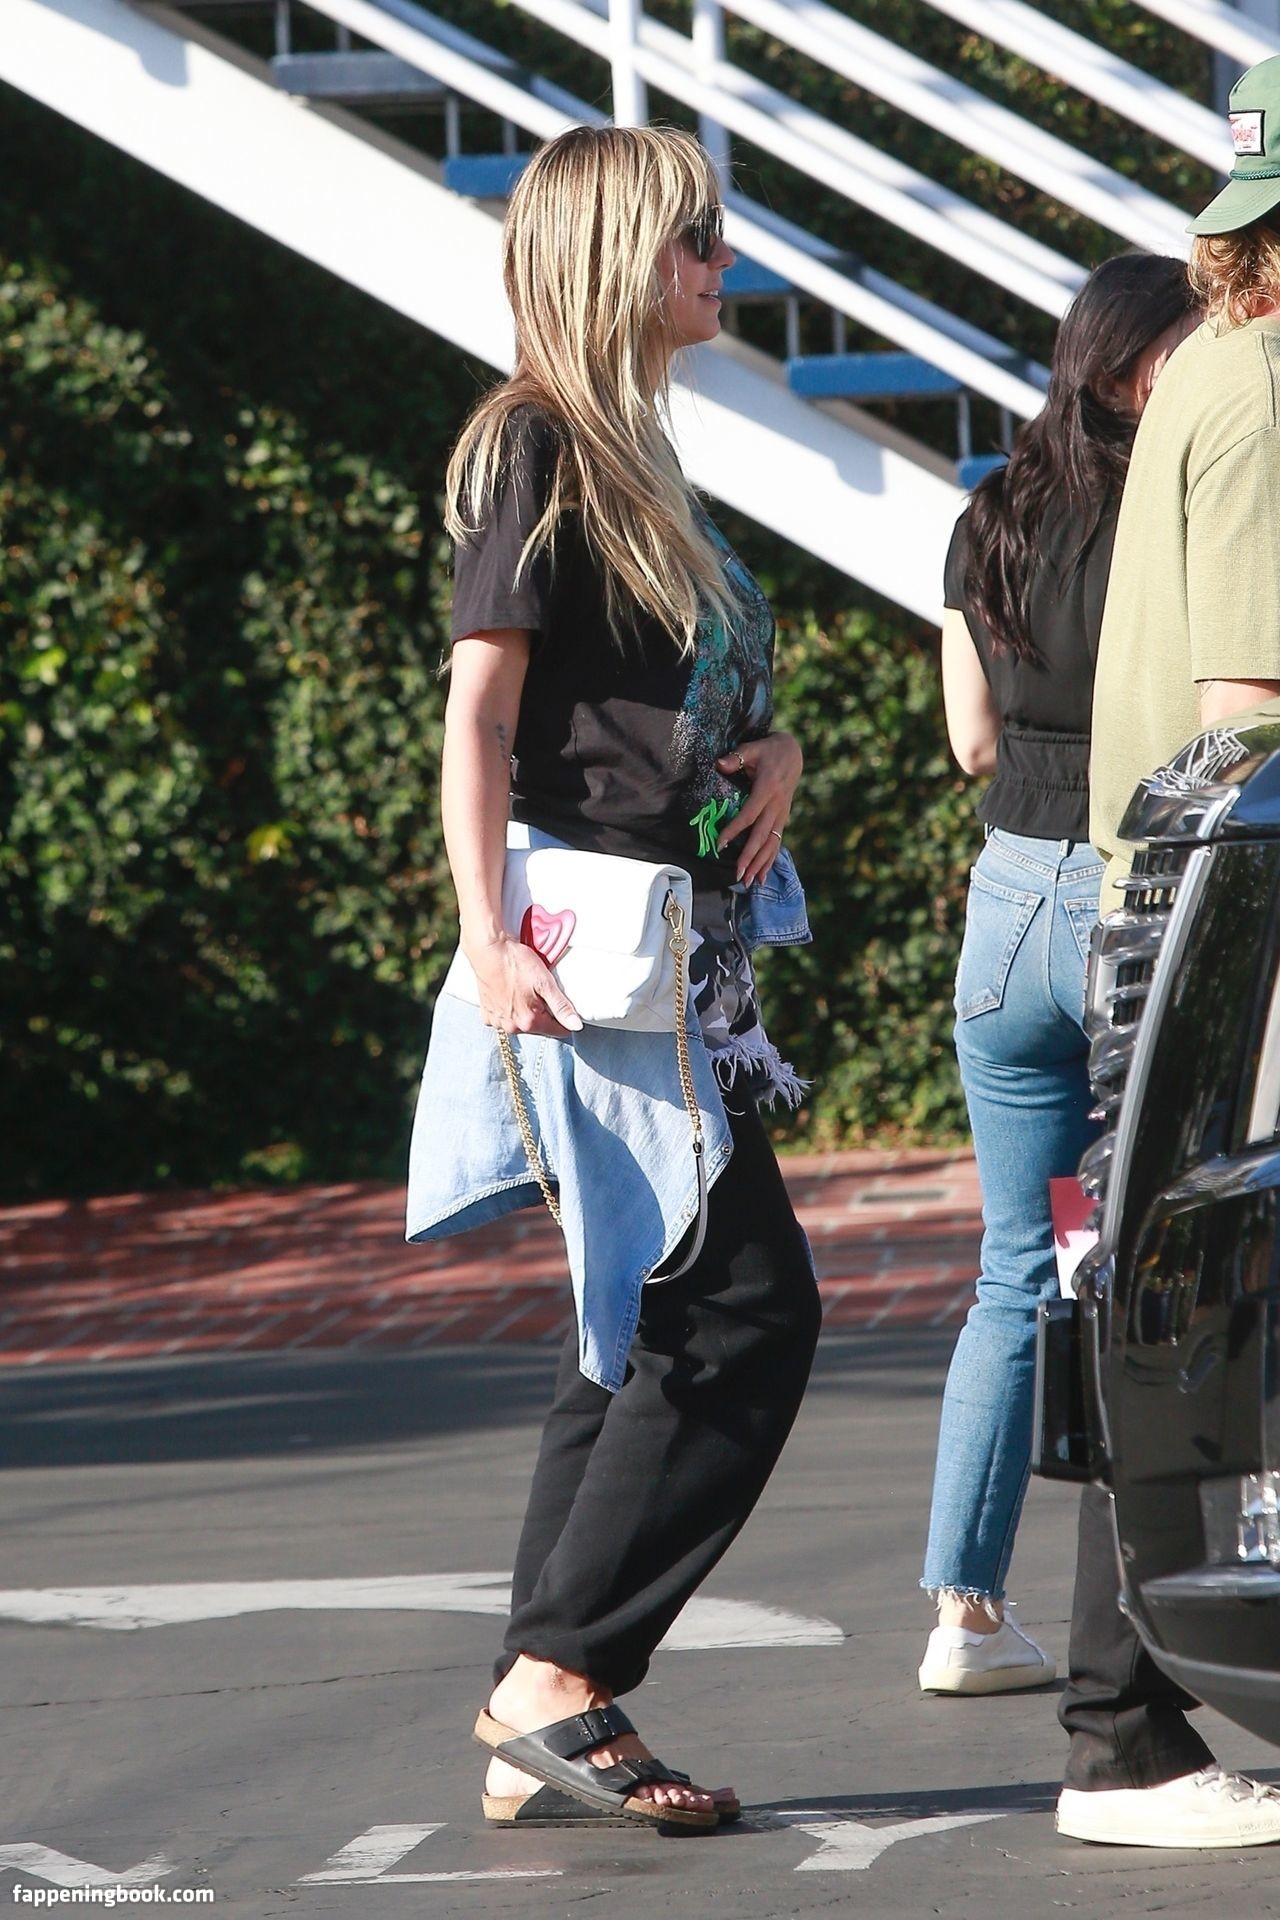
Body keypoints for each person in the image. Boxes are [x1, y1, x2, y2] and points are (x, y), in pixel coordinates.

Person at [404, 123, 821, 1835]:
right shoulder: (536, 444)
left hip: (676, 952)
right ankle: (559, 1675)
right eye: (695, 239)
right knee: (742, 1312)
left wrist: (776, 750)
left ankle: (541, 1691)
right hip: (591, 954)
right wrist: (484, 935)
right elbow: (481, 716)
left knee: (637, 1318)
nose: (722, 265)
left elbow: (670, 707)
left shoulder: (635, 448)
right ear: (615, 258)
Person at [918, 254, 1200, 1697]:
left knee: (1014, 1268)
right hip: (1120, 893)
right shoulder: (1177, 509)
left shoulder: (990, 512)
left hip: (1005, 908)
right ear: (1143, 369)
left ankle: (962, 1615)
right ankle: (1146, 1617)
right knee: (1146, 1260)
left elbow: (969, 739)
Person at [1056, 53, 1280, 1849]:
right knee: (1193, 1323)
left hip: (1162, 907)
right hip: (1237, 928)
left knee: (1169, 1308)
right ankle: (1120, 1736)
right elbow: (1247, 711)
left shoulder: (1208, 360)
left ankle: (1119, 1724)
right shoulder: (1269, 385)